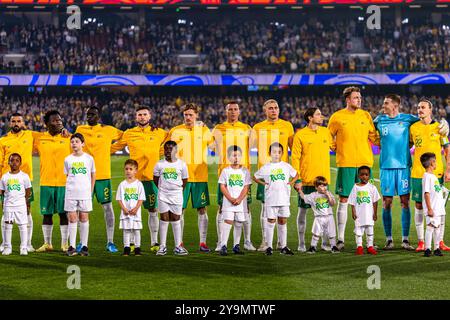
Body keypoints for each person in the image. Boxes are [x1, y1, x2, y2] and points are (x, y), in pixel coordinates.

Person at [374, 94, 449, 251]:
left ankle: (407, 240)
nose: (383, 105)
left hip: (407, 168)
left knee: (407, 202)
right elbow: (366, 129)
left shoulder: (410, 120)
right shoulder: (379, 120)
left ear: (395, 105)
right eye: (418, 107)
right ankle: (390, 239)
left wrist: (445, 123)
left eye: (386, 102)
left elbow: (433, 125)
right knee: (388, 203)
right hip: (392, 168)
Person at [328, 86, 378, 251]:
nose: (359, 100)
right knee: (344, 200)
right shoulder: (337, 117)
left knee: (366, 201)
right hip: (346, 164)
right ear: (348, 100)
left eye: (360, 97)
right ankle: (340, 239)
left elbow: (373, 136)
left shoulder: (365, 115)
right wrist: (337, 148)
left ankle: (367, 242)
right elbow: (328, 136)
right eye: (356, 97)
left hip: (364, 164)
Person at [111, 106, 167, 253]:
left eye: (144, 114)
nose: (142, 117)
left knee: (153, 209)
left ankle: (154, 241)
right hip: (133, 180)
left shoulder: (159, 132)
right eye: (139, 115)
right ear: (136, 118)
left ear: (150, 116)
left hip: (151, 178)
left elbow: (171, 143)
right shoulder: (129, 133)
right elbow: (115, 146)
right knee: (130, 210)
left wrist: (158, 152)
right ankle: (130, 243)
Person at [166, 103, 214, 252]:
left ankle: (203, 242)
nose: (188, 117)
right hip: (181, 179)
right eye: (186, 114)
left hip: (200, 176)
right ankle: (179, 243)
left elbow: (214, 147)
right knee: (180, 210)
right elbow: (166, 151)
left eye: (191, 115)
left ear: (196, 115)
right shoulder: (175, 131)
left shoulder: (204, 130)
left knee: (202, 209)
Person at [76, 106, 123, 253]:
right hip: (84, 176)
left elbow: (125, 136)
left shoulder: (108, 129)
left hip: (103, 176)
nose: (89, 117)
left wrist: (110, 149)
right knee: (82, 209)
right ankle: (82, 242)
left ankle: (110, 242)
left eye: (93, 114)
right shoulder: (80, 129)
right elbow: (74, 141)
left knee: (107, 208)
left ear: (98, 116)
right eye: (88, 114)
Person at [211, 101, 255, 252]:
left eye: (235, 109)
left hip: (243, 174)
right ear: (226, 111)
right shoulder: (218, 128)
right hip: (224, 173)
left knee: (246, 208)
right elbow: (210, 146)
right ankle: (220, 242)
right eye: (230, 109)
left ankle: (247, 241)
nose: (233, 112)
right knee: (221, 208)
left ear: (239, 111)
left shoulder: (247, 128)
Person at [252, 99, 294, 252]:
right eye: (270, 108)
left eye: (276, 108)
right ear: (265, 111)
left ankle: (281, 243)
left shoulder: (287, 126)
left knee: (283, 211)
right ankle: (265, 242)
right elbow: (247, 146)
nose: (274, 110)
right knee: (265, 208)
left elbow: (293, 149)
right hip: (266, 175)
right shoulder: (257, 128)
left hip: (282, 176)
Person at [410, 99, 450, 252]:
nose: (420, 109)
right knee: (419, 205)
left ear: (430, 110)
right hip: (418, 173)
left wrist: (448, 170)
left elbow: (447, 150)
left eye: (423, 107)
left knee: (439, 207)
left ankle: (439, 242)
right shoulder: (413, 128)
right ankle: (421, 241)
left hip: (437, 174)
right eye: (418, 107)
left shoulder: (440, 127)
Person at [292, 107, 333, 252]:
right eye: (318, 114)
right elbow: (295, 158)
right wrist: (297, 179)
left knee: (325, 214)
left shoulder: (325, 132)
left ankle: (325, 243)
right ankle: (301, 243)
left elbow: (335, 146)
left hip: (322, 182)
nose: (321, 116)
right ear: (310, 117)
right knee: (302, 212)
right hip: (306, 181)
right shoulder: (300, 135)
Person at [0, 113, 42, 253]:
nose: (16, 123)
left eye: (19, 121)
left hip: (25, 182)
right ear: (10, 123)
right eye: (13, 121)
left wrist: (63, 132)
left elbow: (47, 136)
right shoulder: (3, 140)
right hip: (7, 182)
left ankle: (28, 244)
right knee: (6, 213)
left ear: (23, 123)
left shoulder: (30, 135)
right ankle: (5, 243)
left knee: (27, 211)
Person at [34, 110, 72, 253]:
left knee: (64, 214)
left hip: (64, 183)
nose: (59, 122)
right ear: (47, 123)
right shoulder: (39, 138)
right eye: (55, 120)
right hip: (46, 182)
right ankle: (47, 243)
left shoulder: (69, 138)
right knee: (47, 214)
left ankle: (65, 244)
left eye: (60, 120)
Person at [253, 142, 298, 256]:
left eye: (279, 152)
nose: (276, 154)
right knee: (271, 221)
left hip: (284, 199)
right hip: (271, 199)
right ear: (270, 153)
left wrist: (291, 182)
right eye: (274, 152)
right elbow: (255, 176)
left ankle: (283, 246)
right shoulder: (266, 167)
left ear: (282, 153)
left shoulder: (286, 166)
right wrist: (264, 183)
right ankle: (269, 247)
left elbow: (296, 174)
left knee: (283, 221)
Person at [153, 141, 189, 256]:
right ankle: (162, 246)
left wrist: (177, 190)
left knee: (176, 218)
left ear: (176, 150)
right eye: (166, 149)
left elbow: (184, 180)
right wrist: (164, 188)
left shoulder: (182, 164)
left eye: (171, 149)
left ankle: (178, 246)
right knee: (164, 218)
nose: (168, 151)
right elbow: (156, 179)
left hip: (177, 195)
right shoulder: (159, 164)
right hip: (163, 195)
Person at [64, 133, 96, 257]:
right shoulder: (68, 159)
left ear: (82, 143)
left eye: (77, 141)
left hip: (85, 193)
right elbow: (68, 175)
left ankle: (84, 246)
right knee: (72, 219)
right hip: (71, 193)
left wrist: (90, 190)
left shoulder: (89, 158)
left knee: (83, 218)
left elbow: (93, 175)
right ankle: (71, 246)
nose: (74, 144)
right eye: (72, 142)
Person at [217, 145, 252, 256]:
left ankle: (236, 246)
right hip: (228, 202)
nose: (236, 158)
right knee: (228, 221)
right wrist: (231, 198)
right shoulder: (226, 171)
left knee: (239, 222)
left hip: (241, 202)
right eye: (233, 155)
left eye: (238, 155)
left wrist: (240, 199)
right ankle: (223, 245)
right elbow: (222, 186)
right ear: (229, 157)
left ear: (241, 156)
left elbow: (246, 187)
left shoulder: (245, 171)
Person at [0, 153, 32, 256]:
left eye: (17, 160)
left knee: (22, 226)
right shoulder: (5, 177)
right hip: (8, 206)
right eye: (12, 160)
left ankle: (23, 247)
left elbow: (28, 191)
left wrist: (26, 203)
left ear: (20, 163)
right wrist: (3, 205)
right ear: (8, 162)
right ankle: (7, 247)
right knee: (8, 226)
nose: (14, 163)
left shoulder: (24, 176)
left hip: (20, 206)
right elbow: (2, 192)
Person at [298, 176, 339, 254]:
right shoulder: (313, 195)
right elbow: (304, 197)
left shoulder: (328, 193)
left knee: (331, 233)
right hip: (318, 218)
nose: (324, 187)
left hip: (329, 216)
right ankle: (313, 246)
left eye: (325, 185)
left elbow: (333, 203)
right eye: (321, 185)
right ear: (316, 187)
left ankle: (333, 246)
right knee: (316, 233)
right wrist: (299, 190)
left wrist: (328, 196)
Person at [348, 166, 381, 255]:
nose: (364, 177)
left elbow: (375, 201)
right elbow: (352, 201)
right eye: (362, 174)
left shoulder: (372, 187)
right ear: (358, 175)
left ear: (369, 176)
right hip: (359, 214)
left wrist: (375, 213)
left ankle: (370, 246)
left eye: (366, 175)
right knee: (359, 231)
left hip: (369, 214)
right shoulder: (355, 187)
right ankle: (359, 247)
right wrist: (353, 212)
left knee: (370, 230)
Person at [116, 159, 146, 256]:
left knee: (136, 230)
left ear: (136, 170)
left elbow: (141, 198)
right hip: (125, 212)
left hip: (135, 212)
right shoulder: (122, 184)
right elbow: (119, 199)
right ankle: (126, 248)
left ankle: (137, 248)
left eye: (131, 169)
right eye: (126, 169)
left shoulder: (139, 184)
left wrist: (136, 208)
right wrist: (124, 209)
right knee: (127, 230)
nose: (128, 171)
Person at [420, 152, 446, 257]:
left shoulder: (433, 176)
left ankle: (436, 248)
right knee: (430, 227)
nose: (436, 164)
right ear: (432, 163)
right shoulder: (427, 177)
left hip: (438, 208)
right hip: (432, 208)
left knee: (437, 228)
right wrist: (429, 209)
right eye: (435, 161)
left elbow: (435, 191)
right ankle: (427, 249)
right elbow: (426, 193)